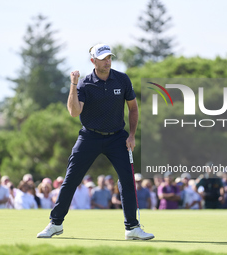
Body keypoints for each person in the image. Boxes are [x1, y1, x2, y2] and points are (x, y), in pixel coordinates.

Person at [37, 43, 154, 240]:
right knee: (71, 179)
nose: (108, 61)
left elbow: (133, 108)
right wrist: (73, 85)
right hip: (89, 136)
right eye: (103, 58)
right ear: (93, 61)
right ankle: (55, 223)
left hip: (117, 137)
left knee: (127, 180)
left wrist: (131, 135)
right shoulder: (84, 84)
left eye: (109, 57)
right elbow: (74, 112)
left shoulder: (122, 79)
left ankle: (132, 228)